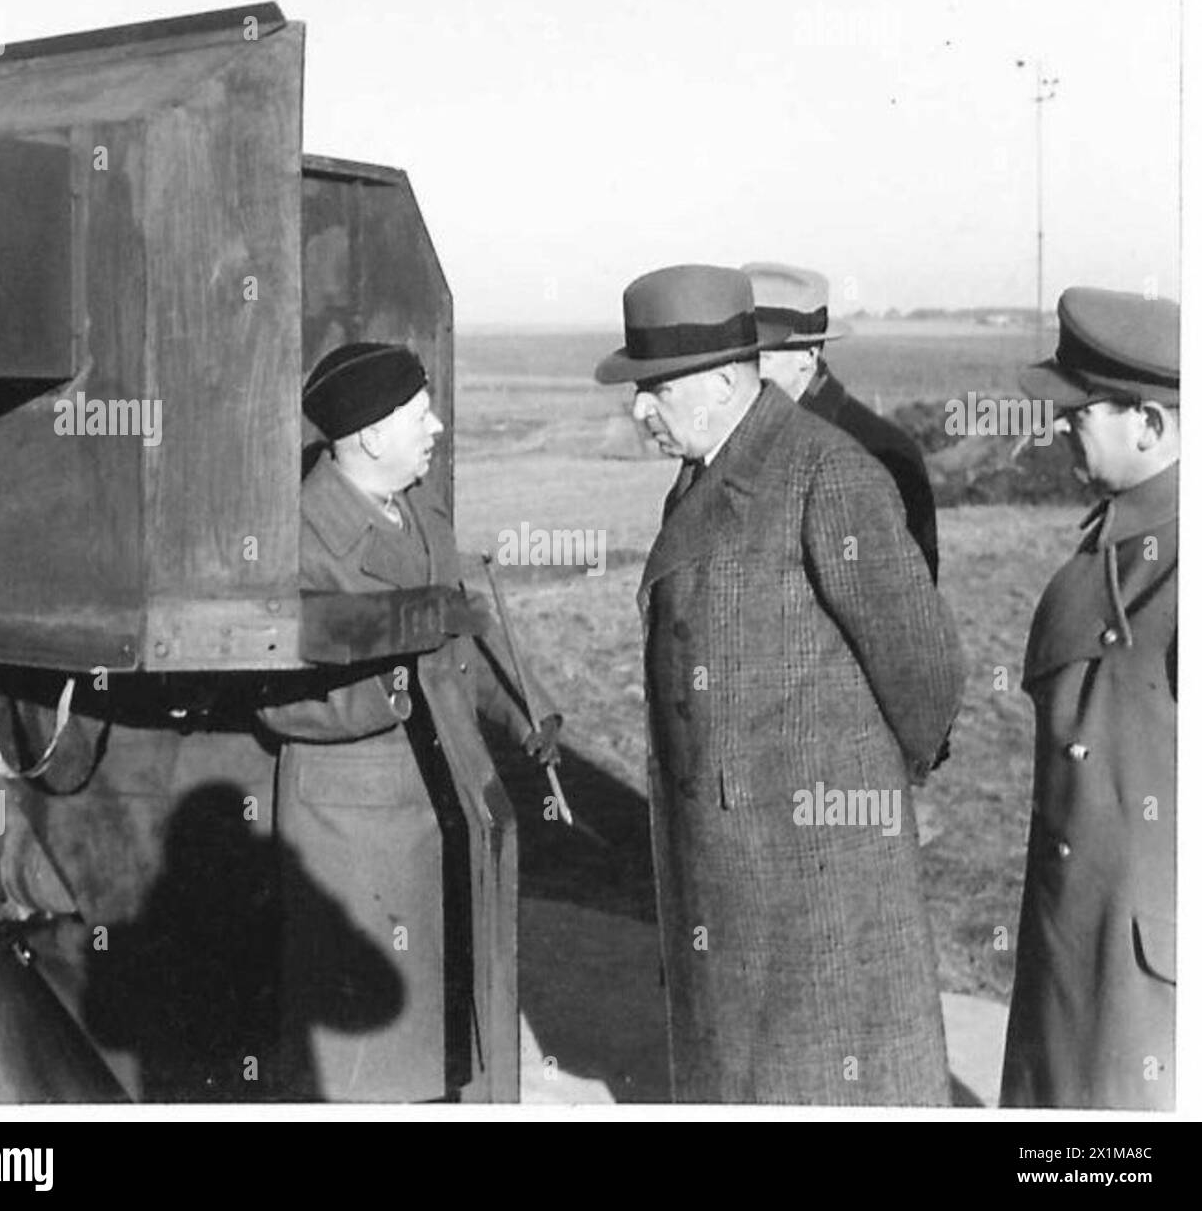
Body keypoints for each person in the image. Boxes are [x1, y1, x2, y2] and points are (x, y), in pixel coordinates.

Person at [595, 265, 965, 1104]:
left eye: (656, 389)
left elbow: (925, 665)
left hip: (815, 878)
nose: (640, 411)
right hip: (736, 871)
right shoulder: (706, 472)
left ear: (726, 382)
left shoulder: (827, 475)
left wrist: (860, 792)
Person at [258, 342, 559, 1103]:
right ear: (368, 435)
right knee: (370, 1059)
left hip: (444, 801)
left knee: (447, 1034)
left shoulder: (420, 508)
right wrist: (397, 683)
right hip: (355, 832)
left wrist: (527, 709)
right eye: (420, 415)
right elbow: (273, 695)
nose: (438, 427)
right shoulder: (296, 539)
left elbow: (463, 625)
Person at [1000, 287, 1178, 1110]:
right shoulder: (1113, 544)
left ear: (1150, 424)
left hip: (1145, 973)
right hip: (1072, 947)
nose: (1060, 425)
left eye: (1080, 411)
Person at [742, 262, 940, 581]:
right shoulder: (734, 437)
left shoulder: (878, 450)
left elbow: (907, 591)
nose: (745, 372)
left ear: (808, 355)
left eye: (762, 356)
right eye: (739, 357)